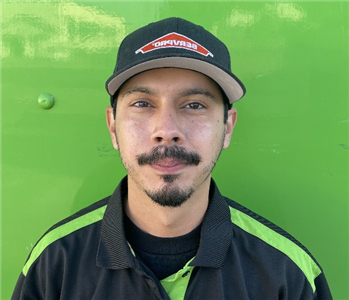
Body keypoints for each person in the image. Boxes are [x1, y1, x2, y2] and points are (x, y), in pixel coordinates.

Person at [12, 17, 332, 300]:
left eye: (194, 104)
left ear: (228, 127)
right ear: (112, 126)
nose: (167, 130)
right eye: (142, 104)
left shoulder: (288, 273)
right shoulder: (54, 263)